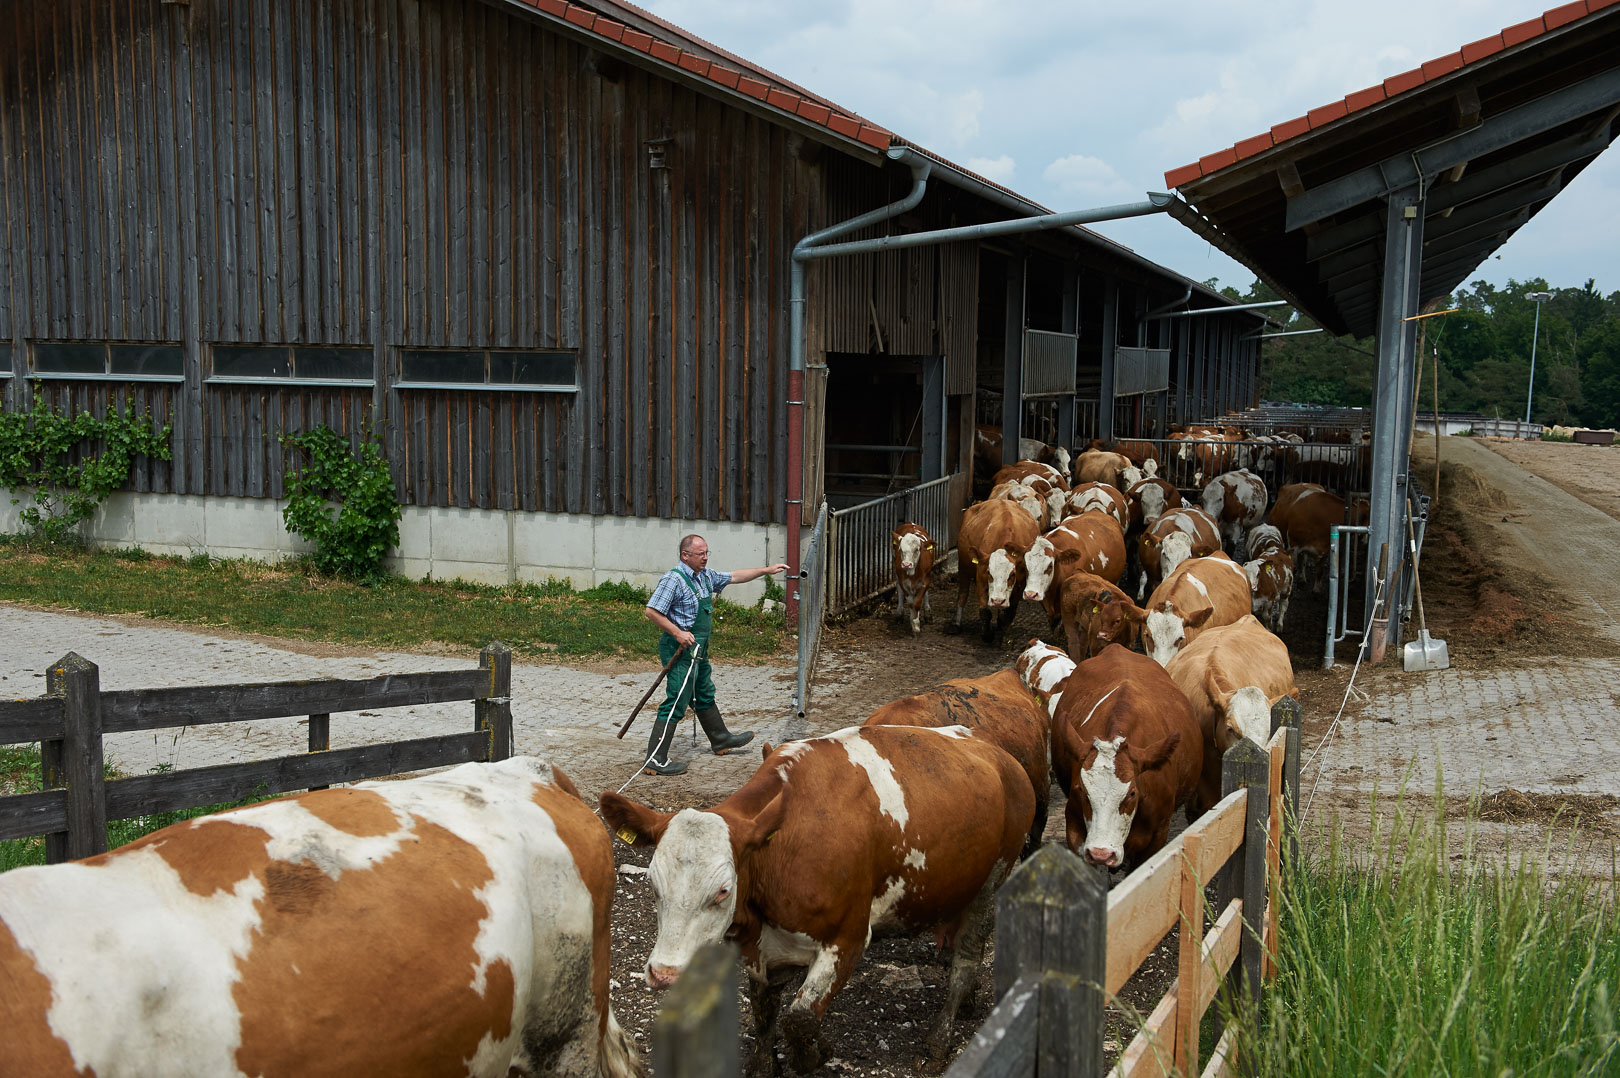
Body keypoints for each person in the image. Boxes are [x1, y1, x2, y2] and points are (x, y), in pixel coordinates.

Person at [640, 534, 789, 776]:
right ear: (685, 556)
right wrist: (678, 633)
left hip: (699, 650)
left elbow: (734, 576)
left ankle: (720, 740)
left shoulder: (705, 577)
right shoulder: (673, 580)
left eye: (707, 553)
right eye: (701, 554)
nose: (706, 558)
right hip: (680, 650)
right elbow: (651, 611)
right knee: (677, 700)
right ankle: (655, 760)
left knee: (703, 692)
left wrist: (766, 570)